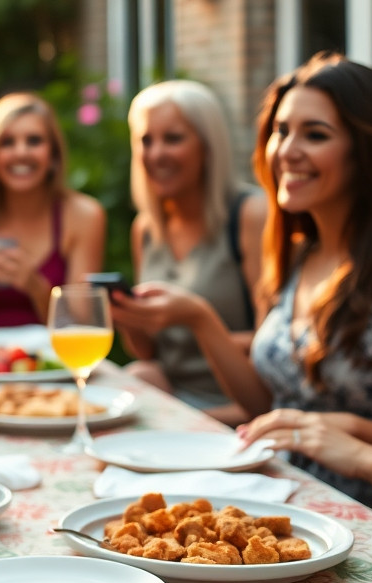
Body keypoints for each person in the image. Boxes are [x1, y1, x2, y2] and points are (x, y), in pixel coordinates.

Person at [127, 53, 372, 516]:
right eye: (280, 131)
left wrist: (343, 429)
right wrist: (201, 320)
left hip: (369, 515)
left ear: (366, 149)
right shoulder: (295, 251)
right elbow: (268, 407)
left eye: (315, 135)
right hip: (276, 501)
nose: (287, 151)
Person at [111, 80, 265, 423]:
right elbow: (150, 352)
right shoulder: (147, 228)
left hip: (240, 401)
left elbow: (277, 343)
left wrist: (197, 321)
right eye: (146, 140)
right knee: (138, 374)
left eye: (173, 138)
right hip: (174, 393)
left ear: (208, 146)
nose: (156, 154)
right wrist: (130, 321)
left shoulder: (250, 214)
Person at [0, 92, 107, 329]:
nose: (21, 152)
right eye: (7, 142)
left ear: (54, 155)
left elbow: (82, 328)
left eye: (34, 141)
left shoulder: (83, 215)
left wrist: (35, 286)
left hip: (53, 363)